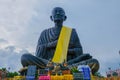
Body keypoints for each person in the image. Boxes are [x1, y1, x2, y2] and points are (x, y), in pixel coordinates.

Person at [21, 7, 99, 74]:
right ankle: (61, 69)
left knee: (94, 62)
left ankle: (58, 69)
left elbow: (79, 51)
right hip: (48, 64)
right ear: (51, 18)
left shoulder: (71, 32)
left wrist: (65, 50)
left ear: (64, 18)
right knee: (25, 57)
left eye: (60, 12)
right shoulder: (44, 33)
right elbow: (38, 54)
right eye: (55, 12)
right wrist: (51, 45)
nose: (58, 13)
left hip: (67, 64)